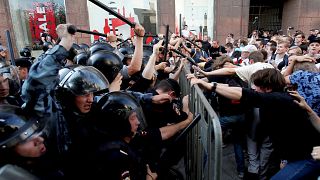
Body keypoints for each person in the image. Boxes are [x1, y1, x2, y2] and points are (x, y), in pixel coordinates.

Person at [187, 68, 320, 179]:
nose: (253, 88)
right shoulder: (276, 98)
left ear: (267, 88)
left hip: (308, 157)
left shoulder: (280, 99)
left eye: (256, 86)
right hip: (295, 156)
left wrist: (211, 86)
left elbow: (246, 94)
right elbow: (240, 90)